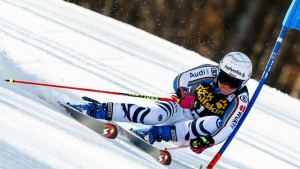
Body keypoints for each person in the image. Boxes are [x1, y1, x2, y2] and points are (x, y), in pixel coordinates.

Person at [70, 51, 252, 154]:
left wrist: (207, 141)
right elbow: (182, 78)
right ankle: (95, 110)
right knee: (152, 114)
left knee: (214, 122)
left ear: (242, 83)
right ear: (219, 70)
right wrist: (183, 93)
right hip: (181, 108)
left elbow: (229, 127)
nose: (226, 85)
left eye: (234, 83)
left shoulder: (240, 99)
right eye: (223, 78)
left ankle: (154, 134)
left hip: (188, 131)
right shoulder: (209, 72)